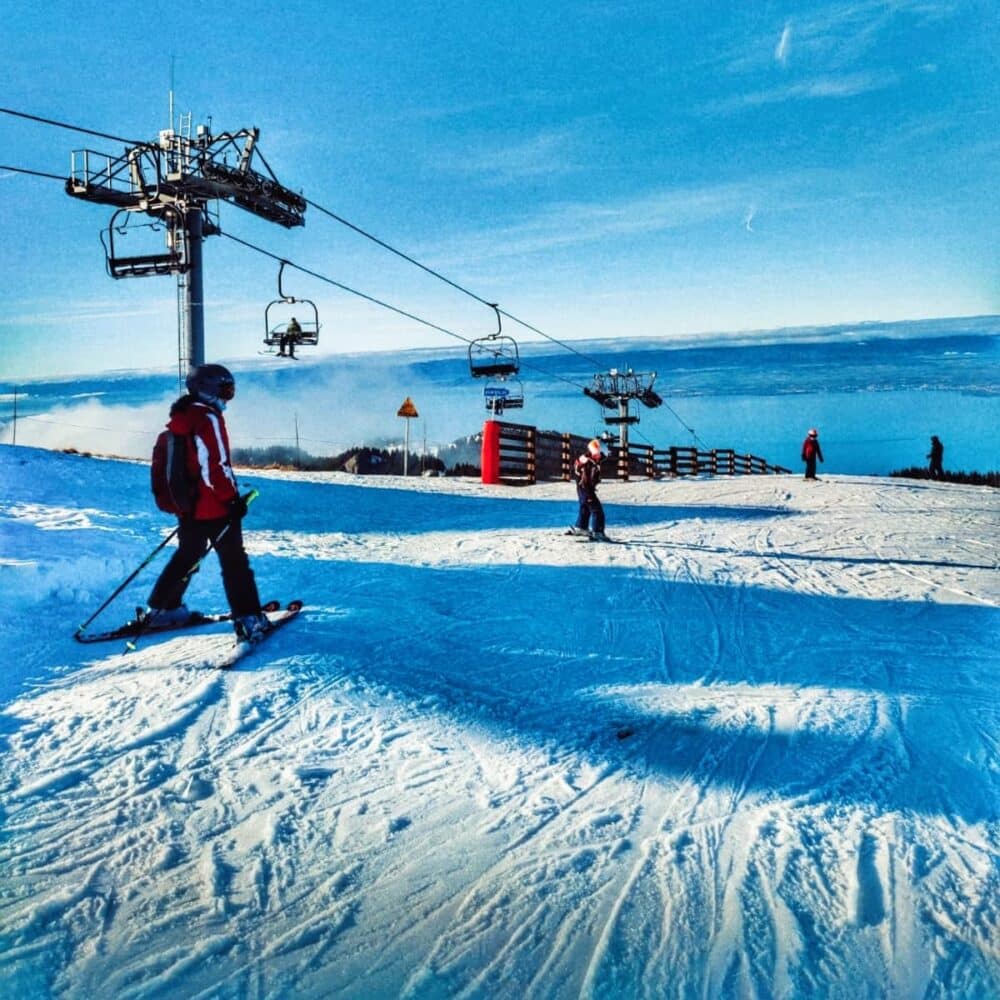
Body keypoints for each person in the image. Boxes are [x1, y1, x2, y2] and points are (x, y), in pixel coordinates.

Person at [144, 364, 271, 643]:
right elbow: (215, 466)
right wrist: (231, 499)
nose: (228, 397)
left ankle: (165, 608)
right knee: (234, 561)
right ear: (209, 390)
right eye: (226, 390)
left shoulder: (182, 418)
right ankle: (249, 618)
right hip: (214, 506)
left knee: (189, 554)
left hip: (189, 507)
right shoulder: (208, 418)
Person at [568, 438, 608, 541]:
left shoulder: (586, 460)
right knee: (597, 510)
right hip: (586, 489)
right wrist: (589, 492)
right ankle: (597, 532)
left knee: (585, 508)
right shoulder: (588, 463)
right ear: (596, 452)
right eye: (601, 455)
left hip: (582, 489)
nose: (601, 458)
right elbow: (585, 477)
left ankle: (581, 527)